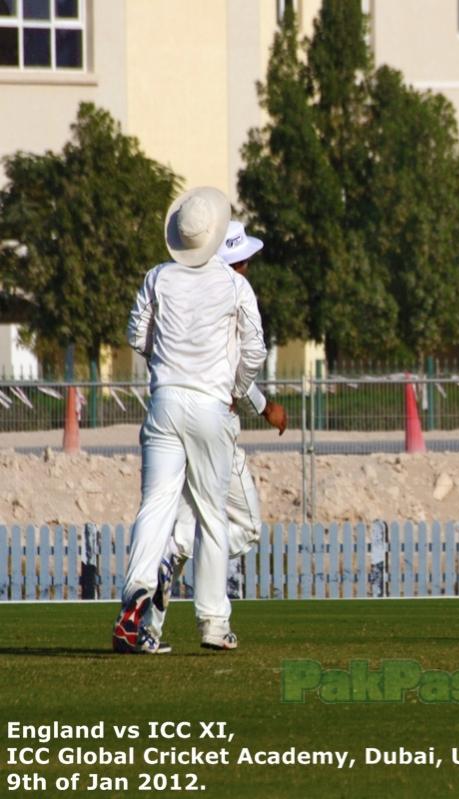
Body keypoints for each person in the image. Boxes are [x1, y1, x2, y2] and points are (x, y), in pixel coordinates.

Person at [113, 188, 267, 654]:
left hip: (164, 402)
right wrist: (236, 388)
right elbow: (255, 350)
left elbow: (136, 334)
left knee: (155, 507)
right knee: (212, 515)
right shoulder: (235, 285)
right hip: (209, 406)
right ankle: (214, 624)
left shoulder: (157, 277)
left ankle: (135, 600)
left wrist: (165, 360)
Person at [146, 220, 287, 650]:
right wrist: (256, 402)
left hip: (170, 418)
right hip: (213, 427)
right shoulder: (231, 292)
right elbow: (246, 358)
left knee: (188, 517)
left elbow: (148, 341)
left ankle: (150, 621)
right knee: (237, 526)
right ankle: (211, 620)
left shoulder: (180, 291)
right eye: (241, 260)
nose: (245, 267)